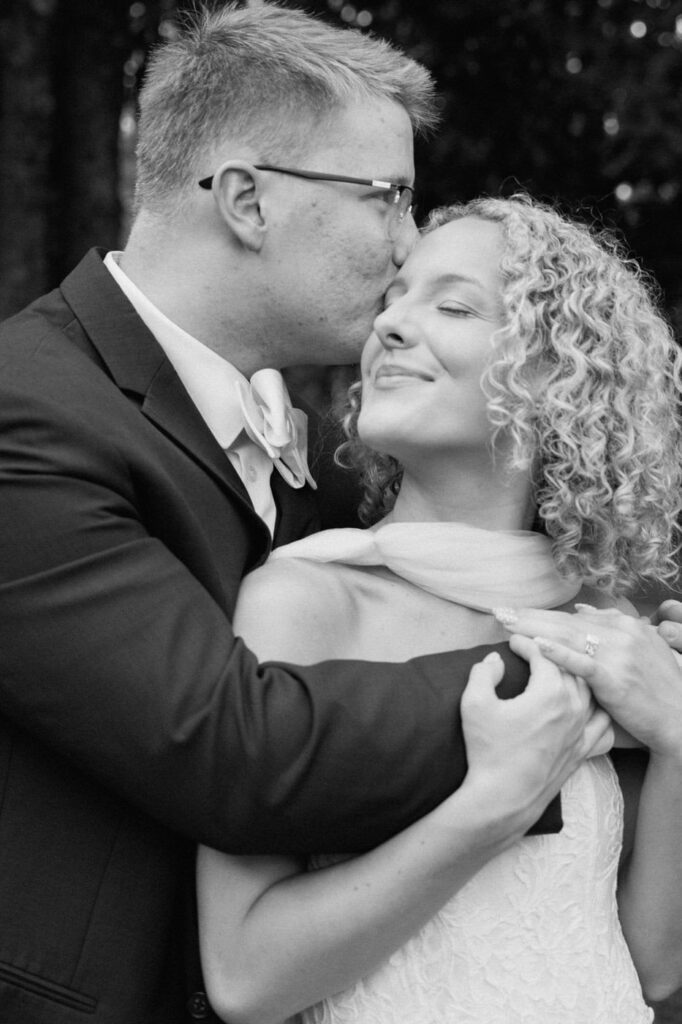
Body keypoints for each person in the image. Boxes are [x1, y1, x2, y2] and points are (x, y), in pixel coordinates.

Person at [0, 7, 595, 1023]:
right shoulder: (29, 409)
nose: (408, 240)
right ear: (245, 200)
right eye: (389, 197)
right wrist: (573, 666)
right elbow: (233, 745)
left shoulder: (334, 463)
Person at [197, 195, 682, 1024]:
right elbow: (244, 978)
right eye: (392, 300)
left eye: (453, 305)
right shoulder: (305, 603)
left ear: (557, 372)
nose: (388, 325)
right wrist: (494, 803)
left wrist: (678, 737)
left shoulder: (606, 628)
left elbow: (653, 965)